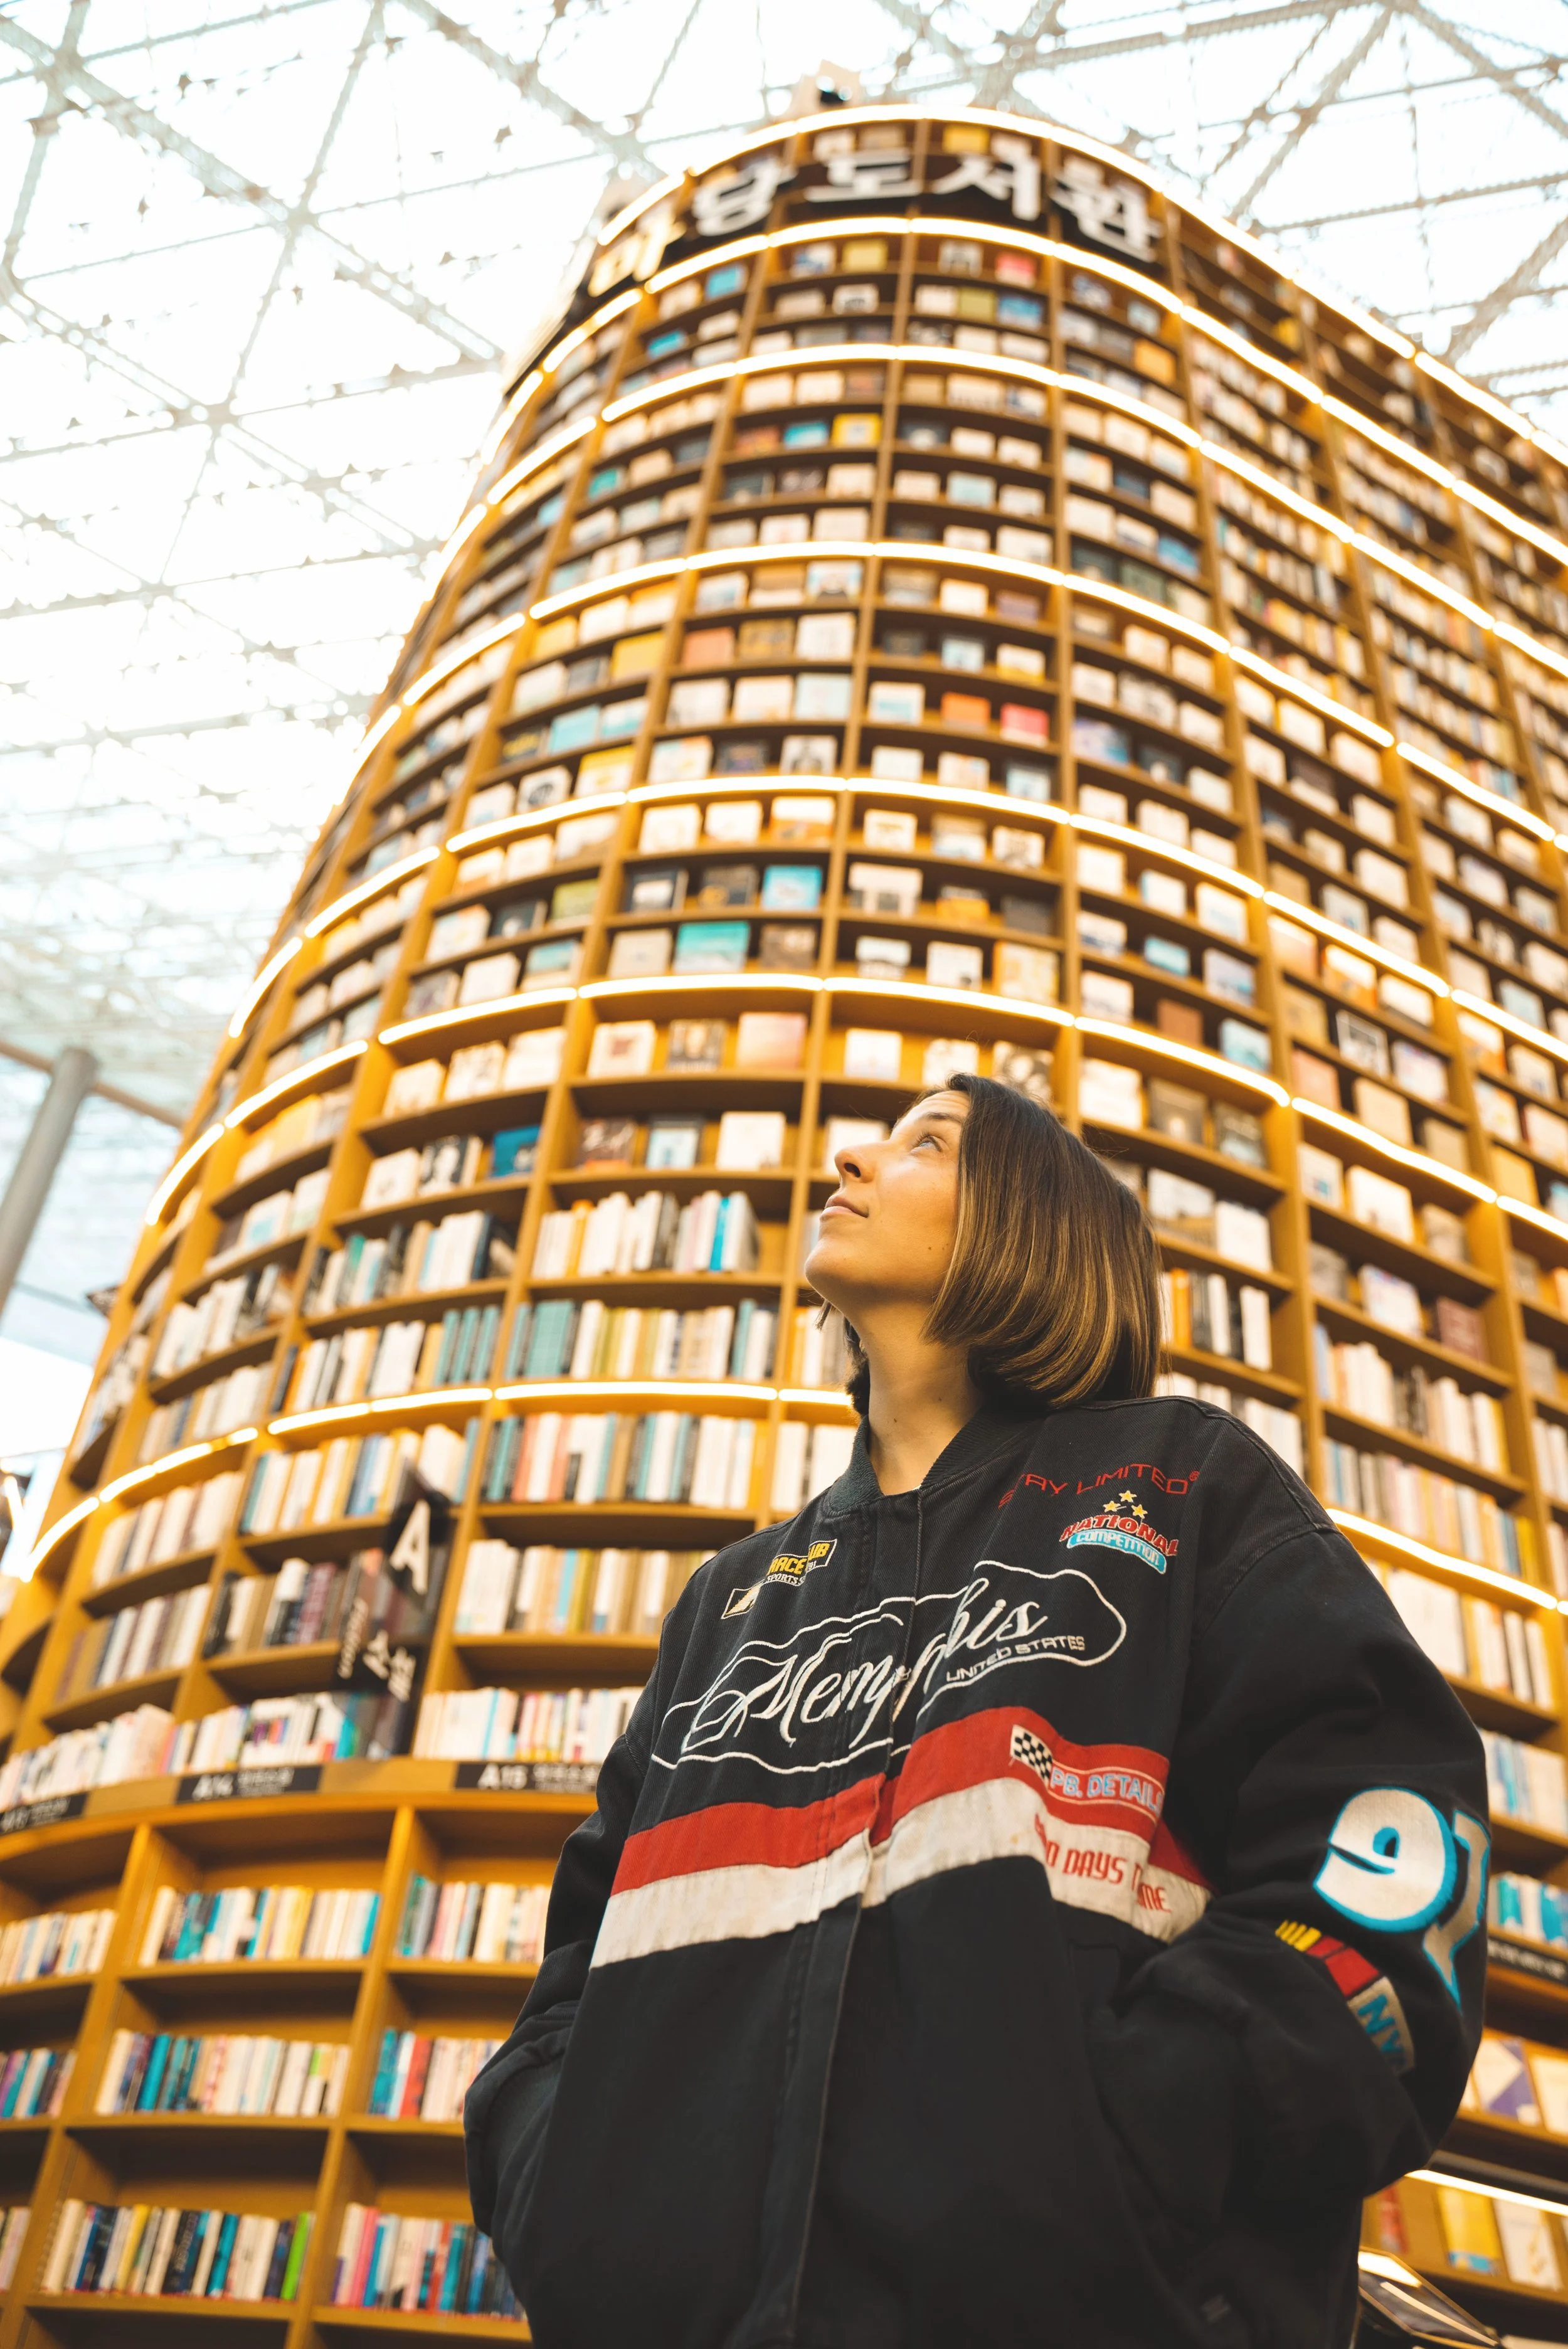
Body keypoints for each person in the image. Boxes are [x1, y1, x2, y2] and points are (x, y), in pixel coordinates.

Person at [465, 1074, 1488, 2348]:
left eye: (923, 1144)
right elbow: (579, 1964)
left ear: (1032, 1225)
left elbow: (1389, 1844)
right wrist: (556, 2177)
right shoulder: (730, 1598)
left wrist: (1119, 2152)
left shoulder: (1181, 1485)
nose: (848, 1159)